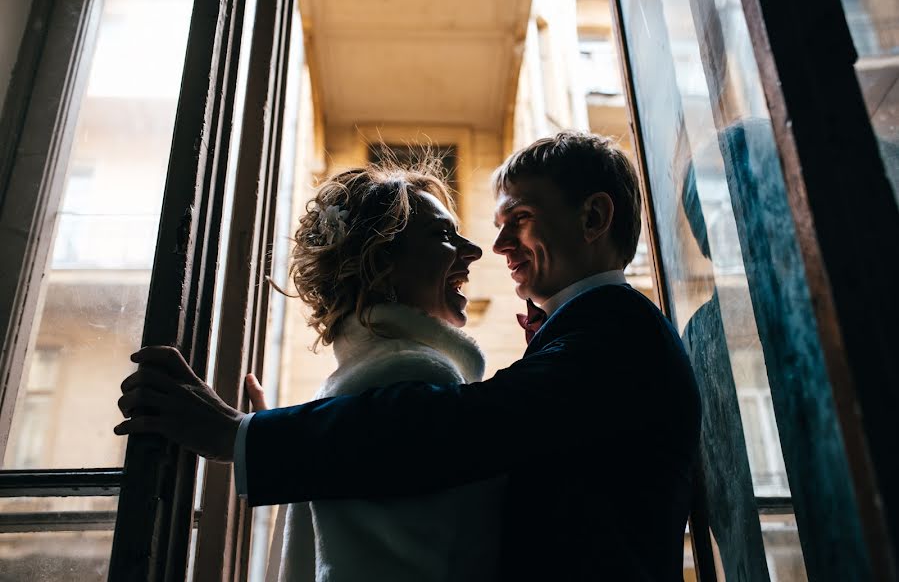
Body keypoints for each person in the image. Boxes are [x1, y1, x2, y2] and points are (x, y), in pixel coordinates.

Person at [117, 131, 702, 581]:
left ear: (594, 218)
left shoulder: (614, 334)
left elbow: (456, 429)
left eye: (518, 220)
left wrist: (240, 435)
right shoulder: (596, 334)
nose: (492, 248)